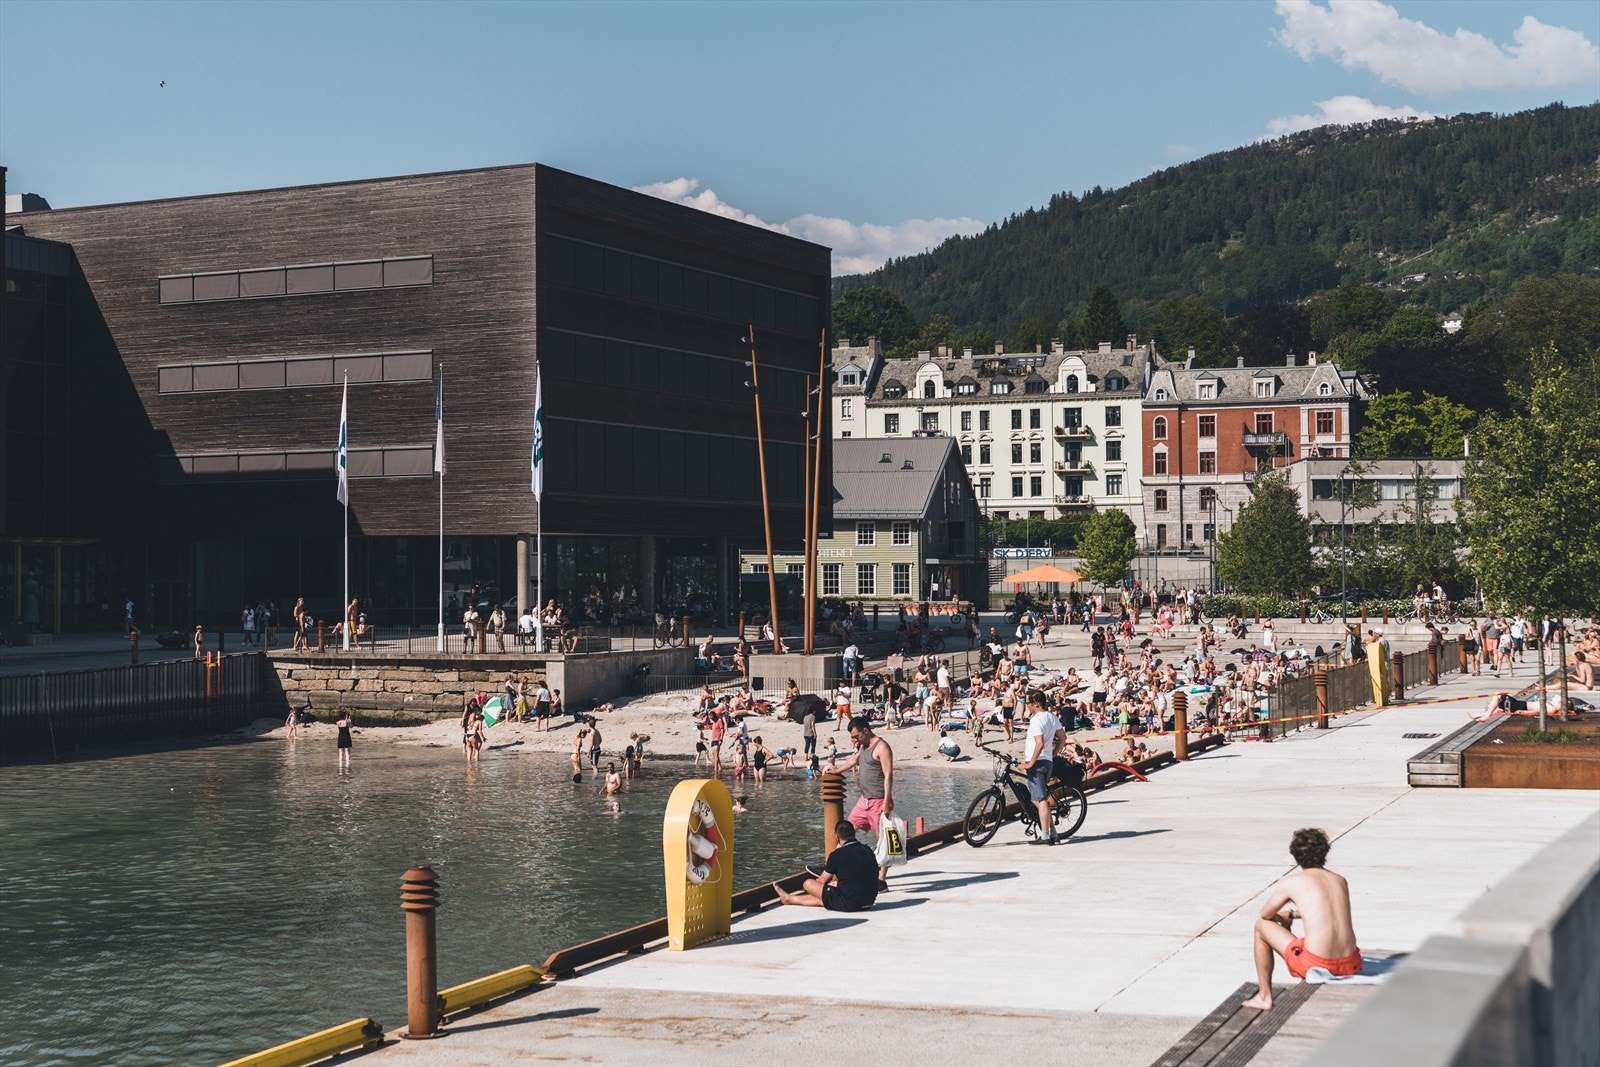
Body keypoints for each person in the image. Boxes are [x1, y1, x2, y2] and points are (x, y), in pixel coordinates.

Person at [1242, 828, 1362, 1010]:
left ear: (1295, 855)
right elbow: (1327, 910)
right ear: (1325, 852)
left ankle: (1264, 996)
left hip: (1318, 964)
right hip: (1351, 963)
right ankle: (1265, 995)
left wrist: (1284, 916)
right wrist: (1294, 914)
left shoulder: (1293, 883)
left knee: (1261, 926)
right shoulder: (1340, 880)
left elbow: (1265, 915)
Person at [832, 715, 895, 890]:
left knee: (883, 842)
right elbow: (854, 759)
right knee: (844, 832)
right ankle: (831, 869)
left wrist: (886, 802)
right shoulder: (863, 745)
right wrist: (837, 770)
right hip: (864, 800)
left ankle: (881, 880)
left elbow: (888, 775)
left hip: (879, 801)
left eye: (856, 736)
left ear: (865, 731)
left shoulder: (882, 747)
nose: (854, 740)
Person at [771, 821, 880, 911]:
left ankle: (788, 899)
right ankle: (789, 899)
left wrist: (829, 886)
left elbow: (821, 881)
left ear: (837, 836)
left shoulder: (837, 855)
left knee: (808, 883)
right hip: (868, 901)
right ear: (854, 833)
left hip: (850, 904)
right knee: (829, 898)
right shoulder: (867, 850)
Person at [1020, 690, 1061, 845]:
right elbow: (1062, 737)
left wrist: (1030, 763)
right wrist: (1054, 754)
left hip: (1037, 762)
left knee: (1041, 799)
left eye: (1028, 703)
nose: (1027, 706)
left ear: (1036, 704)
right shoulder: (1051, 716)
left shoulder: (1036, 720)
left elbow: (1040, 743)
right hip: (1047, 761)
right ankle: (1053, 833)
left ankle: (1045, 836)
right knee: (1036, 799)